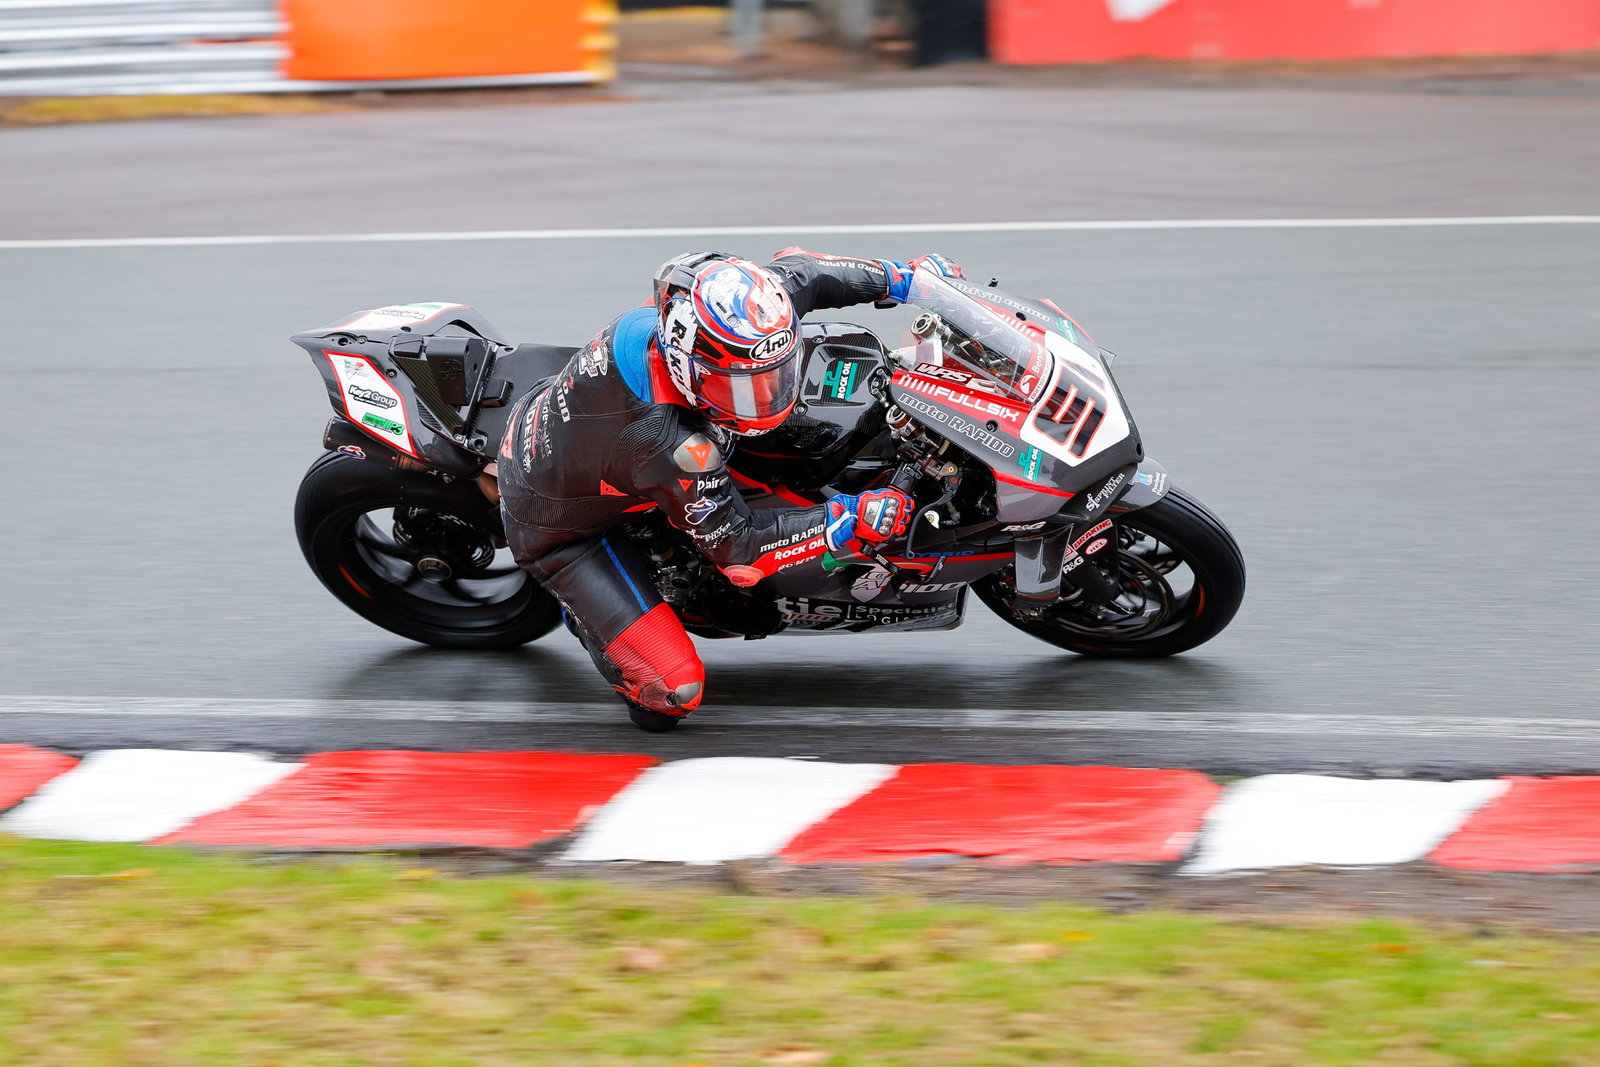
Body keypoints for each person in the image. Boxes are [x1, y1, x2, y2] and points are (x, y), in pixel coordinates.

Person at [497, 248, 964, 728]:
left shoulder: (730, 314)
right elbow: (740, 551)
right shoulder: (668, 441)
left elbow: (809, 273)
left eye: (777, 373)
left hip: (589, 436)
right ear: (688, 368)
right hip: (560, 527)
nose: (770, 394)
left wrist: (910, 280)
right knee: (673, 692)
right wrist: (845, 519)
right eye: (742, 387)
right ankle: (589, 619)